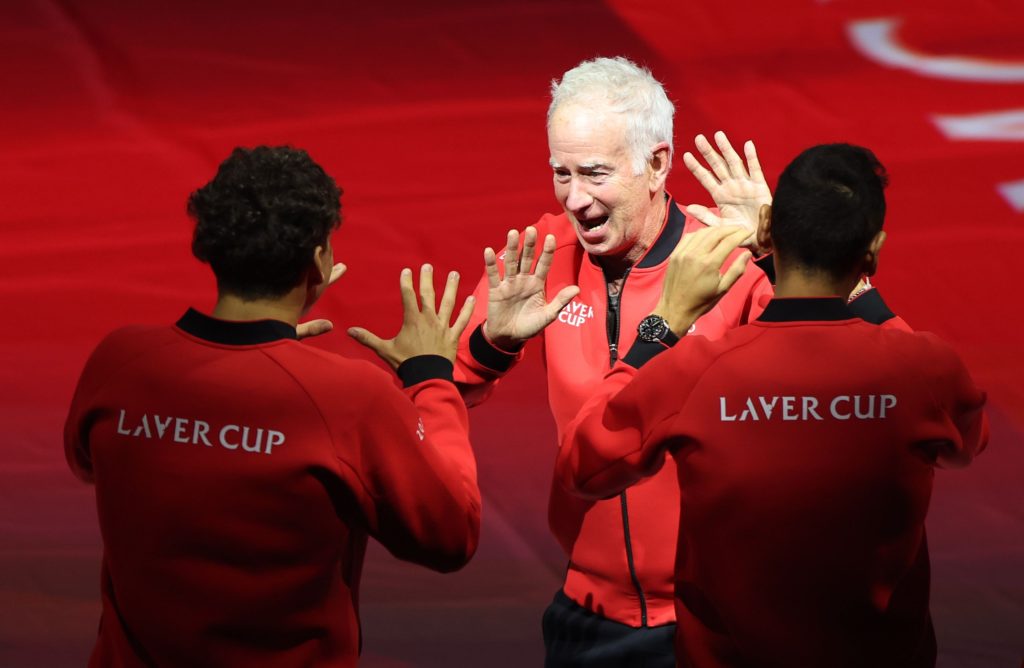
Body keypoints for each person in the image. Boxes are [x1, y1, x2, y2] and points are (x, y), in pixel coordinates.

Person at [558, 144, 989, 667]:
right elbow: (971, 441)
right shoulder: (926, 370)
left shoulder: (696, 371)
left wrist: (660, 328)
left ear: (767, 233)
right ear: (873, 251)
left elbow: (585, 465)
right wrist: (866, 297)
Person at [64, 146, 481, 667]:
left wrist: (260, 371)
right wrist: (429, 378)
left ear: (211, 245)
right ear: (318, 261)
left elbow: (89, 462)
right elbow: (450, 535)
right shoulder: (349, 398)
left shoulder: (118, 360)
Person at [454, 56, 775, 665]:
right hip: (588, 618)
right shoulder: (546, 255)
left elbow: (860, 363)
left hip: (718, 617)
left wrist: (776, 252)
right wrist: (490, 345)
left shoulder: (733, 261)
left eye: (595, 174)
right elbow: (441, 392)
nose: (576, 198)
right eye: (561, 173)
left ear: (656, 165)